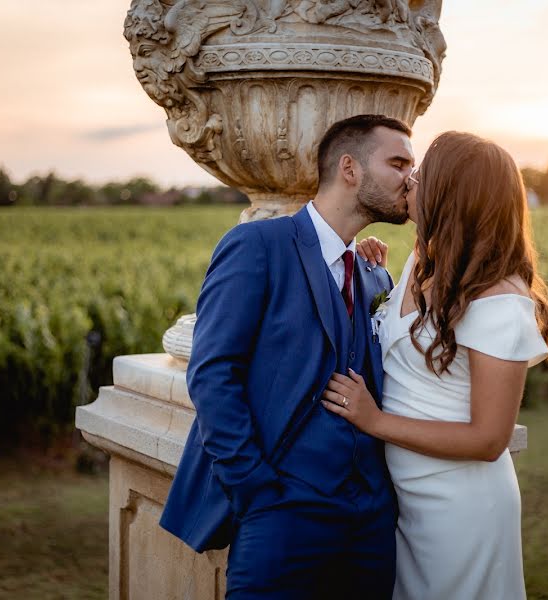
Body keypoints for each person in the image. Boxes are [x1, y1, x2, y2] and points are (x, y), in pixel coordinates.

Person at [159, 114, 416, 599]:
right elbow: (214, 373)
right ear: (350, 169)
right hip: (281, 509)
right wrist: (255, 487)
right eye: (398, 163)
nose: (411, 178)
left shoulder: (363, 268)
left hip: (370, 519)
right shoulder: (257, 245)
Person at [324, 132, 548, 600]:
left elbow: (489, 439)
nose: (410, 182)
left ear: (452, 194)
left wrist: (375, 421)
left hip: (462, 506)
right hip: (405, 498)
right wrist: (370, 265)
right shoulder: (422, 258)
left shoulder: (498, 299)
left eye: (422, 175)